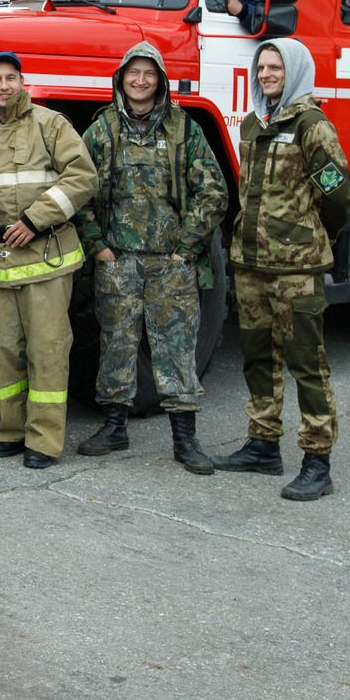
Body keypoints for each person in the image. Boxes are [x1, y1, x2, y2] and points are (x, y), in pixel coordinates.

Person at [75, 42, 229, 473]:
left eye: (149, 74)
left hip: (170, 264)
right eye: (133, 73)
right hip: (117, 262)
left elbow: (214, 191)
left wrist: (186, 248)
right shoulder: (102, 131)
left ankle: (185, 439)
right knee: (116, 344)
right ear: (121, 78)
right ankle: (114, 427)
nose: (140, 81)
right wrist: (98, 246)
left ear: (160, 80)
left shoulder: (184, 129)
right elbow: (78, 189)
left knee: (176, 348)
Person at [213, 39, 350, 501]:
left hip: (296, 268)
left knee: (306, 363)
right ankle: (262, 445)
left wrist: (311, 237)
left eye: (275, 67)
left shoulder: (313, 126)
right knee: (257, 357)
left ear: (294, 71)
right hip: (251, 262)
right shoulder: (254, 123)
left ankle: (317, 461)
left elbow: (336, 194)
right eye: (261, 67)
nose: (266, 74)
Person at [0, 51, 97, 469]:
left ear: (22, 81)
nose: (3, 86)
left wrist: (36, 218)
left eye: (10, 77)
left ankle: (44, 440)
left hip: (47, 257)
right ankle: (11, 430)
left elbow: (83, 176)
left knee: (48, 350)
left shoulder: (51, 124)